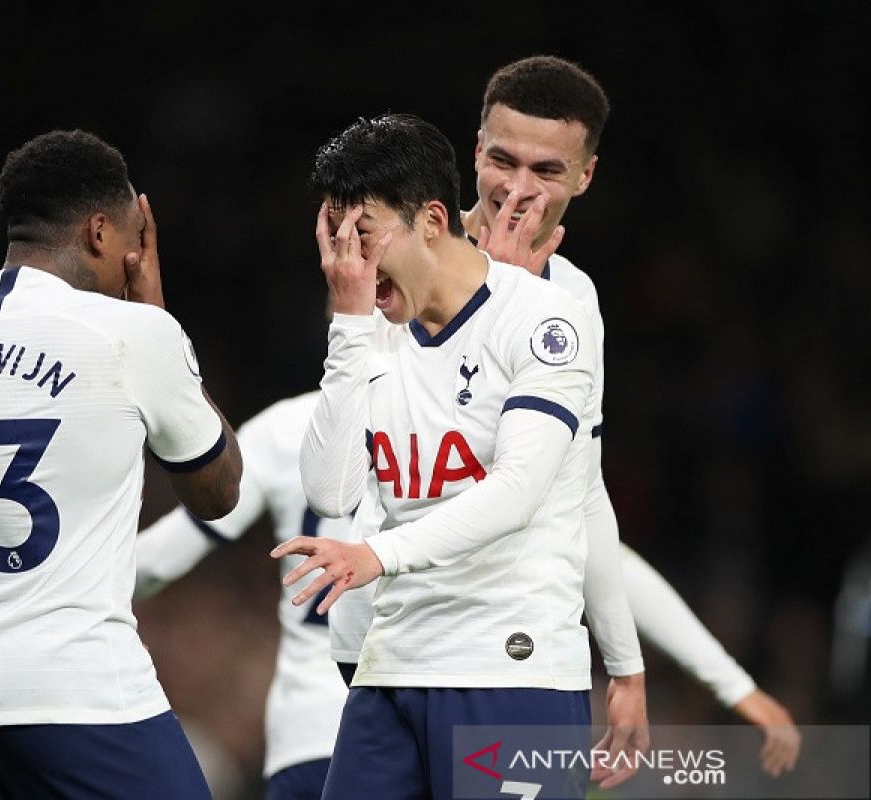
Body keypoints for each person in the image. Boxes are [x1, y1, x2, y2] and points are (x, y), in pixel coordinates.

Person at [326, 55, 801, 779]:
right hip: (383, 646)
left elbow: (576, 500)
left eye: (546, 170)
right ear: (474, 148)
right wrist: (500, 299)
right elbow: (359, 476)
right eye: (501, 159)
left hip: (504, 656)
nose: (516, 189)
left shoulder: (573, 306)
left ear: (585, 176)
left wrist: (626, 664)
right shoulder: (389, 259)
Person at [273, 112, 646, 800]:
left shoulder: (544, 320)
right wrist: (350, 324)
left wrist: (625, 666)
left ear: (432, 220)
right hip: (390, 669)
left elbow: (519, 492)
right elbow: (331, 492)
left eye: (363, 237)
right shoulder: (372, 330)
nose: (349, 263)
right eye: (334, 242)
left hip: (509, 668)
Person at [0, 129, 242, 799]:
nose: (136, 255)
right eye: (136, 236)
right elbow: (218, 491)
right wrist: (159, 316)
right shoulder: (131, 332)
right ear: (100, 232)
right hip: (78, 690)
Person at [135, 392, 351, 799]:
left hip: (320, 732)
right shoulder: (485, 420)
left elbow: (153, 563)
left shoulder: (290, 427)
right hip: (467, 711)